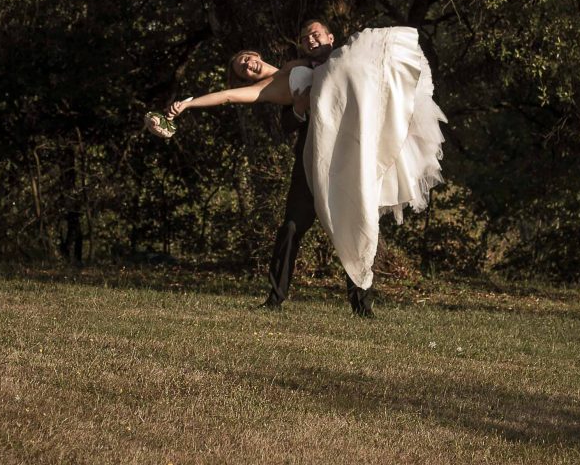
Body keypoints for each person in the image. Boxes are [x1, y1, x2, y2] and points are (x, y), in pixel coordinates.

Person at [168, 21, 444, 315]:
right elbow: (234, 99)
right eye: (242, 67)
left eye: (247, 58)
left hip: (348, 158)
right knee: (291, 227)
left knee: (358, 220)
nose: (247, 64)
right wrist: (188, 104)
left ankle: (362, 306)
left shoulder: (331, 60)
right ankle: (275, 298)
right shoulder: (279, 86)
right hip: (312, 162)